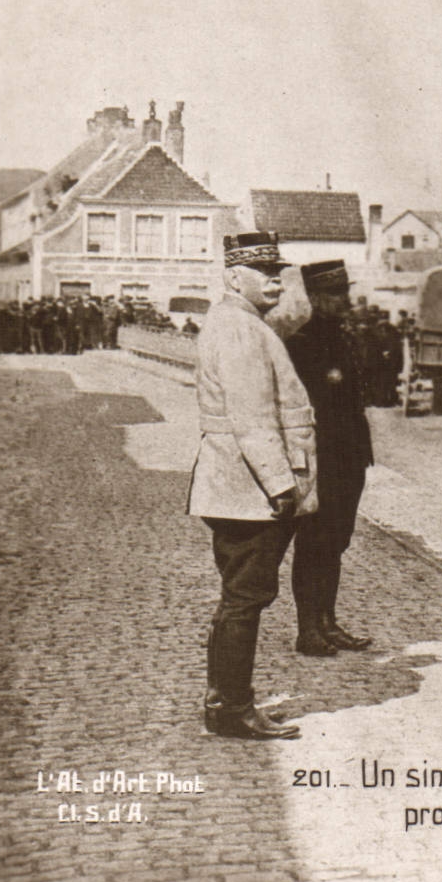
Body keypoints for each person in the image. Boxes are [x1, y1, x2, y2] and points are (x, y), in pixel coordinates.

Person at [186, 231, 316, 740]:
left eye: (279, 274)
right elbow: (253, 418)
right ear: (233, 277)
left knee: (239, 596)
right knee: (245, 598)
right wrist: (282, 486)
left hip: (239, 486)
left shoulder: (239, 323)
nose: (276, 283)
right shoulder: (241, 330)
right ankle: (233, 709)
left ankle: (225, 701)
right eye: (265, 274)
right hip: (252, 492)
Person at [284, 260, 374, 658]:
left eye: (345, 292)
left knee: (336, 541)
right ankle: (308, 629)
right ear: (317, 298)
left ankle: (328, 621)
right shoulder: (301, 342)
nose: (346, 300)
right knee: (314, 542)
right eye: (338, 294)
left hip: (349, 456)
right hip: (322, 458)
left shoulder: (342, 336)